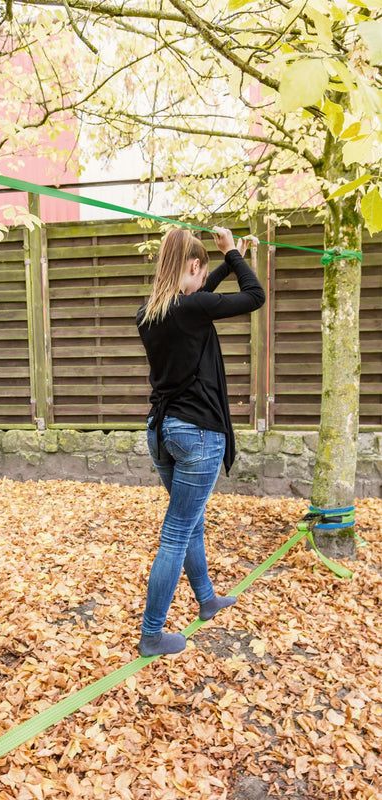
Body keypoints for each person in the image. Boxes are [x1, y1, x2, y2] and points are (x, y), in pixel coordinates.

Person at [135, 226, 265, 657]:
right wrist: (233, 254)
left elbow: (199, 294)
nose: (203, 278)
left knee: (188, 524)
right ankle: (152, 635)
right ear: (193, 265)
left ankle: (206, 599)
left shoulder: (148, 314)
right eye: (201, 270)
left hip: (162, 430)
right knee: (176, 532)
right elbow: (255, 296)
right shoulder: (191, 310)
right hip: (196, 434)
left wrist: (226, 261)